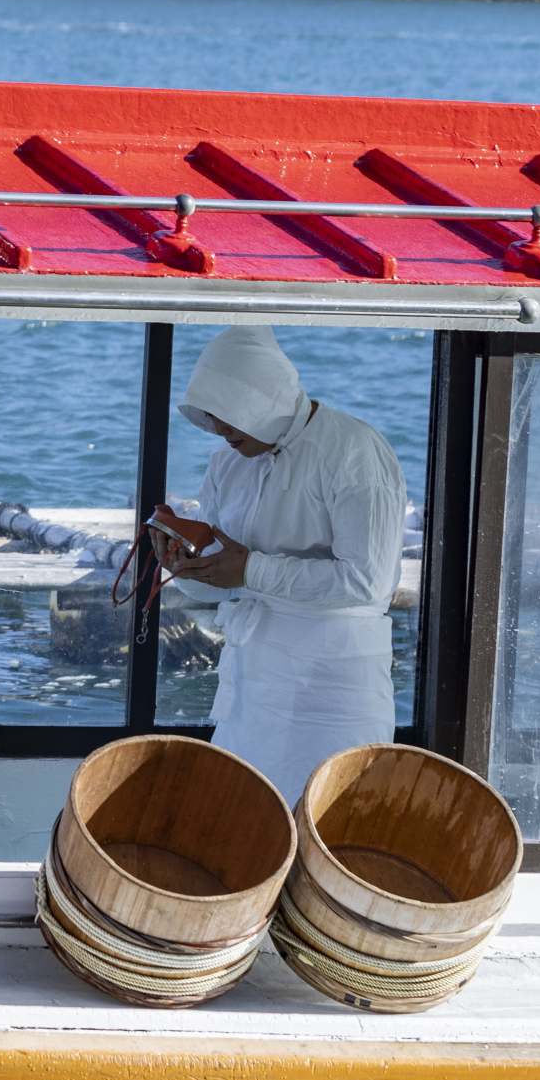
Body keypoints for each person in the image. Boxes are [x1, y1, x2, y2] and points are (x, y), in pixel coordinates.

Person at [160, 326, 406, 803]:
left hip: (336, 687)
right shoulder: (227, 465)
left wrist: (249, 571)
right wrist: (187, 569)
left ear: (264, 402)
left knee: (332, 830)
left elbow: (367, 581)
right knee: (242, 825)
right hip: (255, 681)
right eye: (211, 419)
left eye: (229, 418)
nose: (220, 431)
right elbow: (225, 582)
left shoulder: (354, 452)